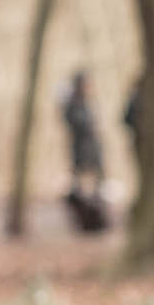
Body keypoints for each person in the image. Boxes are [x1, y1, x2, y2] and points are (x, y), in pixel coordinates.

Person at [57, 67, 109, 232]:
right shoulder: (73, 103)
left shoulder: (85, 102)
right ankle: (85, 222)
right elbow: (76, 124)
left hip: (90, 150)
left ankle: (94, 222)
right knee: (82, 188)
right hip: (81, 151)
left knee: (94, 188)